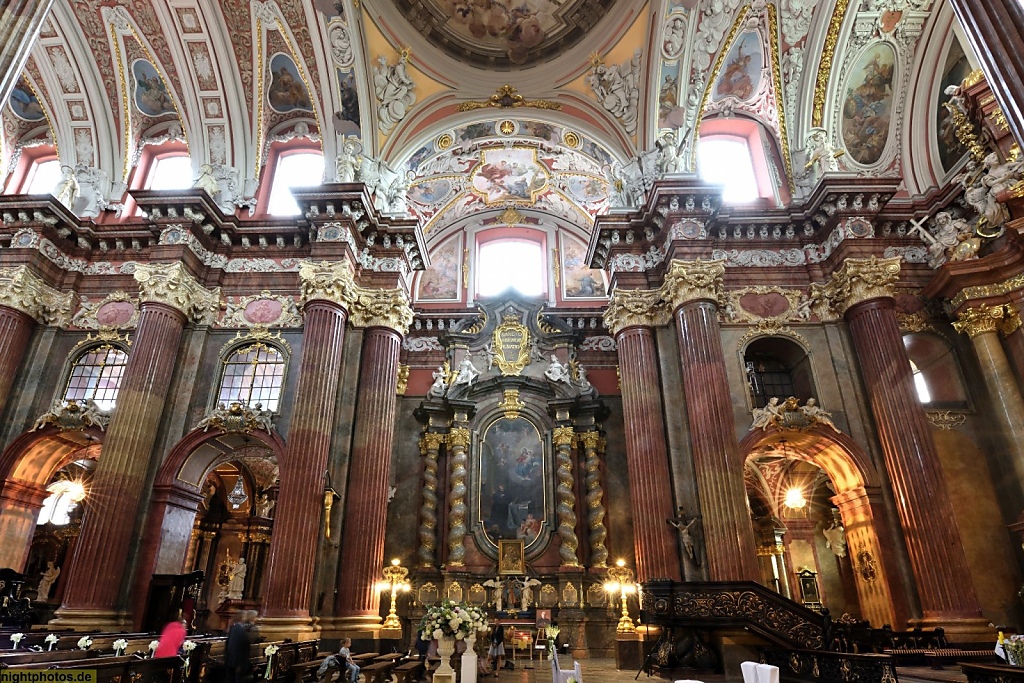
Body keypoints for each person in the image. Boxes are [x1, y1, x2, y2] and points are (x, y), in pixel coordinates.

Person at [225, 610, 253, 683]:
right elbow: (239, 647)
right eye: (245, 616)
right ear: (242, 617)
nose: (246, 618)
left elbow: (228, 644)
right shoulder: (240, 630)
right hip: (237, 662)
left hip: (231, 660)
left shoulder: (234, 628)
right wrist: (239, 663)